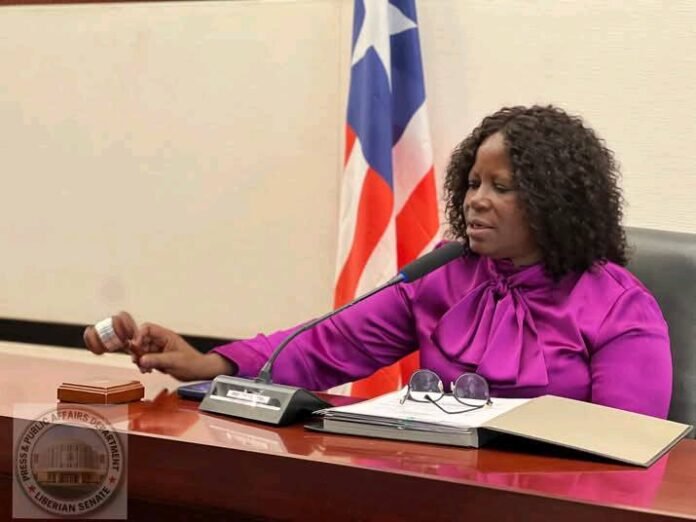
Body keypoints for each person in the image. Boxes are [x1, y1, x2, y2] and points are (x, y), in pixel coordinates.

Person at [84, 105, 672, 418]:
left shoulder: (619, 306)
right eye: (472, 183)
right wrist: (208, 361)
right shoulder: (445, 275)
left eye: (502, 187)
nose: (476, 200)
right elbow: (322, 347)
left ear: (554, 202)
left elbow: (625, 449)